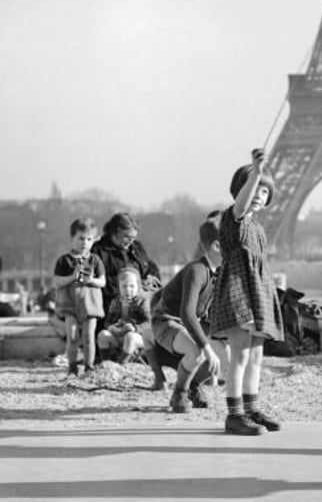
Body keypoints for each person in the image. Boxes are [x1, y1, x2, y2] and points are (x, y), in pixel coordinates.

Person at [209, 148, 284, 436]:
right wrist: (256, 171)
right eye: (253, 188)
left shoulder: (258, 228)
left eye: (265, 191)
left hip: (257, 293)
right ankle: (234, 414)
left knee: (255, 356)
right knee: (239, 355)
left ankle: (251, 409)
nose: (258, 195)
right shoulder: (233, 218)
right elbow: (241, 206)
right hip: (238, 291)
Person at [152, 213, 227, 413]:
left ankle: (193, 385)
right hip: (167, 321)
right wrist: (208, 349)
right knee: (197, 351)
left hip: (189, 323)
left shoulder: (217, 271)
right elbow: (187, 314)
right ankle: (180, 392)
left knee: (227, 356)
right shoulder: (197, 270)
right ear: (217, 246)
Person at [53, 218, 106, 376]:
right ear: (72, 239)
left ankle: (89, 366)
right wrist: (72, 277)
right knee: (73, 337)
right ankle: (72, 366)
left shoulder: (95, 260)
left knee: (89, 337)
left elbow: (103, 281)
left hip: (90, 304)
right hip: (70, 305)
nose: (85, 243)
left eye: (89, 239)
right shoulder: (64, 261)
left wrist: (91, 280)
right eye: (81, 238)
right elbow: (57, 282)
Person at [91, 213, 161, 321]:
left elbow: (151, 268)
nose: (131, 241)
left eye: (133, 238)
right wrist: (131, 285)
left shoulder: (137, 247)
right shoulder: (98, 251)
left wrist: (149, 280)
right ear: (116, 231)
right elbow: (96, 282)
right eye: (127, 237)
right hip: (113, 309)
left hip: (141, 306)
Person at [97, 267, 149, 363]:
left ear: (138, 286)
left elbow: (149, 322)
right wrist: (111, 327)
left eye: (132, 286)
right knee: (102, 335)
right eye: (124, 286)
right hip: (119, 334)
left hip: (138, 337)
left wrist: (135, 328)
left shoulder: (142, 301)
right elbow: (108, 321)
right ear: (119, 287)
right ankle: (106, 364)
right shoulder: (116, 302)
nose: (128, 290)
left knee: (130, 336)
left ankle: (122, 364)